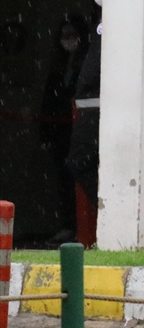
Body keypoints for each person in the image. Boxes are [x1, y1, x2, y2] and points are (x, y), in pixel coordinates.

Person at [41, 15, 91, 243]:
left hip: (78, 127)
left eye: (72, 35)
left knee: (78, 172)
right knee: (62, 179)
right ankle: (67, 224)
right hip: (59, 131)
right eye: (64, 36)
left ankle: (81, 227)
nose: (68, 40)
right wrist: (45, 133)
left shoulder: (86, 63)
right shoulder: (58, 66)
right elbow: (48, 101)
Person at [64, 0, 103, 248]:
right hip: (87, 106)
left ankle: (105, 203)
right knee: (80, 162)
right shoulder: (99, 23)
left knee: (79, 161)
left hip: (97, 108)